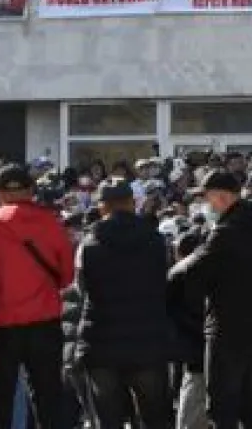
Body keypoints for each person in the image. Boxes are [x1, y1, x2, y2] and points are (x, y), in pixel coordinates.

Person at [168, 169, 252, 429]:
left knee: (221, 406)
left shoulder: (226, 232)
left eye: (208, 199)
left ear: (224, 198)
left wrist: (171, 276)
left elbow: (192, 270)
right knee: (251, 405)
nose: (207, 206)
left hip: (227, 329)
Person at [0, 163, 75, 429]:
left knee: (0, 399)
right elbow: (67, 275)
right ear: (31, 190)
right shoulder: (51, 223)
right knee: (48, 396)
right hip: (45, 321)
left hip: (1, 325)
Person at [76, 179, 175, 429]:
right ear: (132, 203)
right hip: (148, 339)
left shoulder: (89, 244)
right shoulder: (155, 240)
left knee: (108, 419)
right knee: (155, 417)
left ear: (102, 207)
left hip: (101, 340)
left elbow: (82, 288)